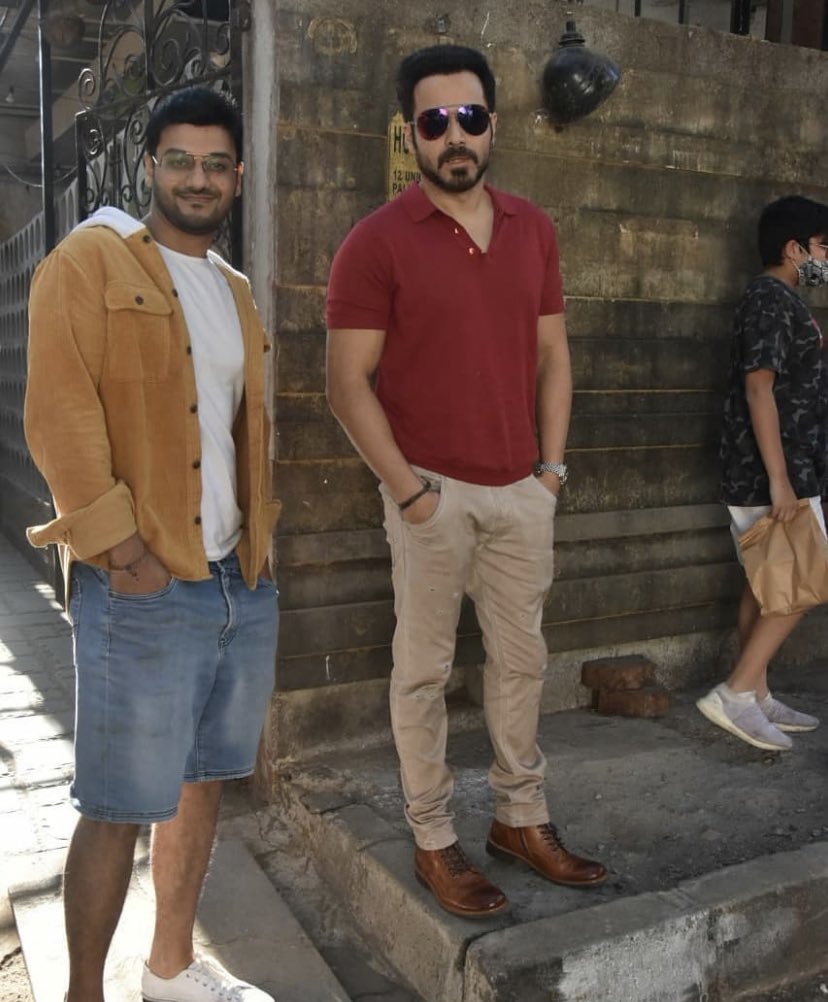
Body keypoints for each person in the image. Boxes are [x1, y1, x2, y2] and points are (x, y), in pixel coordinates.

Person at [325, 44, 606, 919]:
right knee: (423, 675)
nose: (456, 136)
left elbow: (554, 355)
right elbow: (344, 384)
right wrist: (410, 493)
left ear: (493, 124)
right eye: (435, 121)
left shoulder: (534, 228)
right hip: (431, 497)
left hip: (523, 491)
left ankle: (521, 819)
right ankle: (435, 837)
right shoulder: (375, 243)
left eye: (471, 117)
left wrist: (550, 472)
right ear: (409, 134)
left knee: (523, 665)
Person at [24, 86, 280, 1002]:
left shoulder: (237, 292)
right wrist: (124, 558)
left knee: (204, 782)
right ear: (150, 168)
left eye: (216, 163)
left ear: (238, 176)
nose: (198, 178)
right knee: (117, 806)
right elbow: (59, 417)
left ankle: (169, 970)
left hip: (235, 584)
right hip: (145, 582)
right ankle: (83, 994)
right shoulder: (91, 261)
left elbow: (242, 430)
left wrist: (259, 557)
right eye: (179, 159)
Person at [697, 195, 828, 752]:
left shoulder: (785, 300)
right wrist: (779, 479)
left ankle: (757, 694)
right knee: (802, 581)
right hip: (772, 470)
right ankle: (735, 691)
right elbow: (759, 386)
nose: (827, 257)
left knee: (765, 580)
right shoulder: (769, 299)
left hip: (790, 465)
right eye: (825, 247)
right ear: (794, 249)